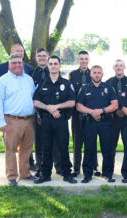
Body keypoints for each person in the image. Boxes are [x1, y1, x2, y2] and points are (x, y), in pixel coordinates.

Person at [33, 56, 77, 184]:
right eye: (50, 63)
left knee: (63, 147)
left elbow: (72, 102)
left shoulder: (66, 83)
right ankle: (45, 174)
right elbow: (36, 101)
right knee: (46, 148)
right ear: (47, 66)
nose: (53, 66)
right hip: (46, 121)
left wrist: (56, 107)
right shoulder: (41, 84)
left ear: (59, 66)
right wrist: (49, 108)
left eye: (55, 63)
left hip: (61, 120)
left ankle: (67, 174)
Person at [0, 54, 36, 186]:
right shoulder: (3, 81)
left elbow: (34, 98)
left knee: (26, 149)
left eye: (19, 63)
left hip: (29, 120)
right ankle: (11, 176)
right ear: (9, 65)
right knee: (11, 149)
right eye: (14, 63)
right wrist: (1, 121)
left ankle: (25, 173)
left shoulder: (29, 79)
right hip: (11, 121)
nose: (18, 65)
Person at [76, 65, 118, 183]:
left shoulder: (109, 88)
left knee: (107, 149)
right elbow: (79, 106)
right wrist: (92, 112)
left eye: (99, 72)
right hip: (90, 123)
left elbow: (115, 105)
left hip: (106, 123)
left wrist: (102, 110)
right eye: (94, 72)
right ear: (91, 74)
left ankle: (108, 174)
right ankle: (87, 174)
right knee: (89, 149)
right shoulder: (84, 89)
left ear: (102, 74)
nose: (97, 74)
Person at [31, 48, 62, 177]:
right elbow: (34, 96)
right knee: (38, 141)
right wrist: (38, 113)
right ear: (36, 58)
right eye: (39, 56)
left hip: (55, 112)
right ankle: (39, 166)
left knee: (56, 141)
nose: (42, 58)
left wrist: (57, 109)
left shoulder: (57, 73)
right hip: (39, 113)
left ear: (48, 57)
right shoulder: (32, 74)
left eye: (44, 56)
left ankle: (59, 166)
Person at [106, 60, 127, 176]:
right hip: (113, 119)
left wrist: (125, 111)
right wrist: (116, 110)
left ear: (124, 67)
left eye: (120, 65)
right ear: (113, 67)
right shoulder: (108, 82)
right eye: (116, 66)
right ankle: (109, 170)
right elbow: (106, 100)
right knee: (111, 145)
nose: (118, 68)